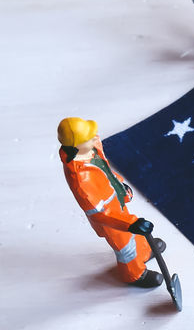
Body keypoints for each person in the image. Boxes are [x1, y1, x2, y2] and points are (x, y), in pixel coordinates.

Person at [58, 117, 163, 288]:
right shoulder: (79, 178)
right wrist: (130, 224)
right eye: (88, 137)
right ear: (75, 146)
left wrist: (120, 184)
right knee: (125, 247)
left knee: (135, 234)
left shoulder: (92, 148)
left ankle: (145, 251)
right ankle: (134, 274)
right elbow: (99, 213)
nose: (94, 137)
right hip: (109, 218)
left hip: (116, 203)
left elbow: (106, 171)